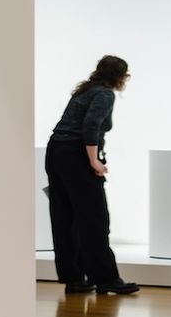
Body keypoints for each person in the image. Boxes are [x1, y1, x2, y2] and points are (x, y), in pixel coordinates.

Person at [46, 55, 140, 296]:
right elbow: (90, 126)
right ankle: (105, 278)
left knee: (65, 217)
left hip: (56, 151)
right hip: (75, 154)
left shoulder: (85, 90)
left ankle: (74, 278)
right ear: (119, 76)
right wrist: (94, 161)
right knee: (95, 218)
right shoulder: (104, 94)